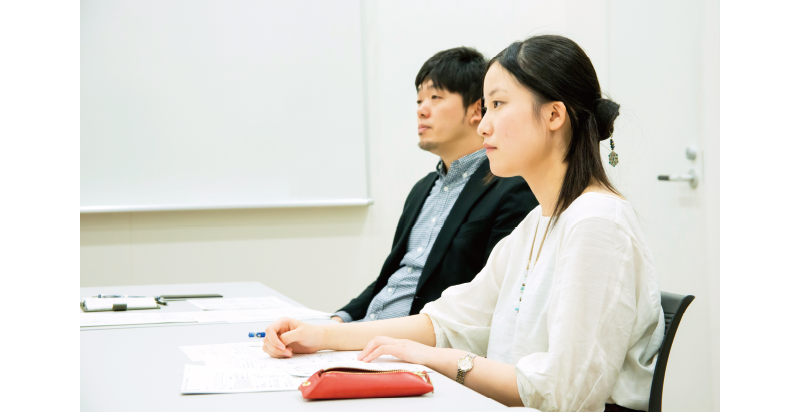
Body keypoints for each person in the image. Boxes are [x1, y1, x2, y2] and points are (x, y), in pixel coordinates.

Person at [262, 35, 664, 412]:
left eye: (499, 104)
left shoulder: (597, 223)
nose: (483, 124)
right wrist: (321, 336)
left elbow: (565, 392)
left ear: (554, 114)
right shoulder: (537, 223)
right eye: (484, 108)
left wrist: (438, 359)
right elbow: (447, 322)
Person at [331, 47, 537, 323]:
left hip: (418, 346)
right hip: (366, 333)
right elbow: (391, 279)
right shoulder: (422, 189)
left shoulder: (511, 187)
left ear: (478, 109)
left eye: (435, 97)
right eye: (418, 101)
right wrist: (339, 321)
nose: (421, 110)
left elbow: (489, 303)